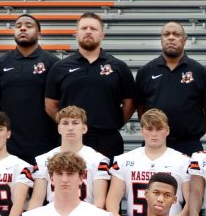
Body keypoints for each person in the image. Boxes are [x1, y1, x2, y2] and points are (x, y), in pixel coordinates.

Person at [45, 12, 139, 158]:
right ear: (76, 34)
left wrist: (114, 122)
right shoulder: (59, 67)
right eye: (84, 28)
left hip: (107, 140)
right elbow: (50, 104)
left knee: (107, 180)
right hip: (71, 140)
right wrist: (68, 125)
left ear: (102, 35)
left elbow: (130, 103)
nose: (88, 31)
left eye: (93, 29)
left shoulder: (119, 67)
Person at [137, 21, 206, 155]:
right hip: (155, 143)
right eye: (166, 34)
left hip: (188, 144)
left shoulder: (200, 71)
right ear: (161, 39)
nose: (171, 37)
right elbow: (141, 108)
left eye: (176, 34)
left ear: (184, 40)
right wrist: (154, 130)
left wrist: (194, 133)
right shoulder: (145, 71)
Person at [0, 13, 60, 162]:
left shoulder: (53, 63)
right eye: (18, 26)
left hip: (46, 144)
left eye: (28, 26)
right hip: (9, 145)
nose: (22, 29)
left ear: (39, 34)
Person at [109, 108, 197, 216]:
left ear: (168, 130)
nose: (154, 134)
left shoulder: (183, 161)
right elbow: (113, 198)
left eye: (159, 129)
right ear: (142, 131)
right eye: (149, 129)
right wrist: (115, 215)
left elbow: (192, 199)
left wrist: (183, 214)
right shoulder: (124, 160)